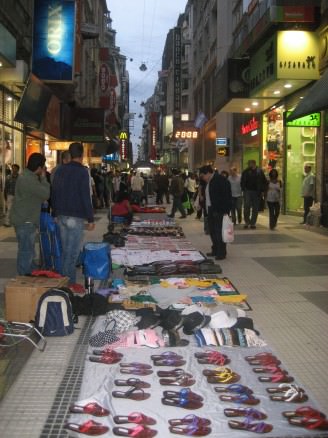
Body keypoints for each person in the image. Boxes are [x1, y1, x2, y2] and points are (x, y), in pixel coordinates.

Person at [52, 142, 95, 284]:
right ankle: (68, 285)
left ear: (69, 154)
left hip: (61, 216)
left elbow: (54, 192)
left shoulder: (59, 170)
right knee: (72, 254)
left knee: (65, 252)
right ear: (81, 155)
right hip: (75, 217)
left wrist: (55, 214)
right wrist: (90, 218)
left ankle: (63, 282)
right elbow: (85, 196)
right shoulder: (82, 171)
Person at [10, 153, 50, 275]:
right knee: (26, 252)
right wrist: (43, 178)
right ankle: (24, 279)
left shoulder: (27, 177)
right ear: (39, 167)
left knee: (28, 251)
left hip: (24, 220)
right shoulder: (29, 179)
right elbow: (45, 194)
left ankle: (30, 273)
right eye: (43, 167)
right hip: (25, 221)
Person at [199, 165, 232, 260]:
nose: (202, 178)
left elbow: (227, 196)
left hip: (219, 210)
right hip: (210, 209)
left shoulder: (220, 180)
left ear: (208, 173)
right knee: (212, 231)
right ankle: (215, 249)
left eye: (203, 176)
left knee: (219, 232)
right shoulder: (209, 181)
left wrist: (225, 210)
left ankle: (221, 253)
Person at [241, 159, 267, 229]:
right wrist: (243, 188)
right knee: (247, 206)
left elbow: (264, 181)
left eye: (249, 164)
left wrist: (262, 191)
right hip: (247, 191)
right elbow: (242, 180)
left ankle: (253, 223)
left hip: (256, 192)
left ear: (253, 164)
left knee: (255, 208)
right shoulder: (246, 171)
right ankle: (247, 222)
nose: (248, 165)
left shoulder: (259, 171)